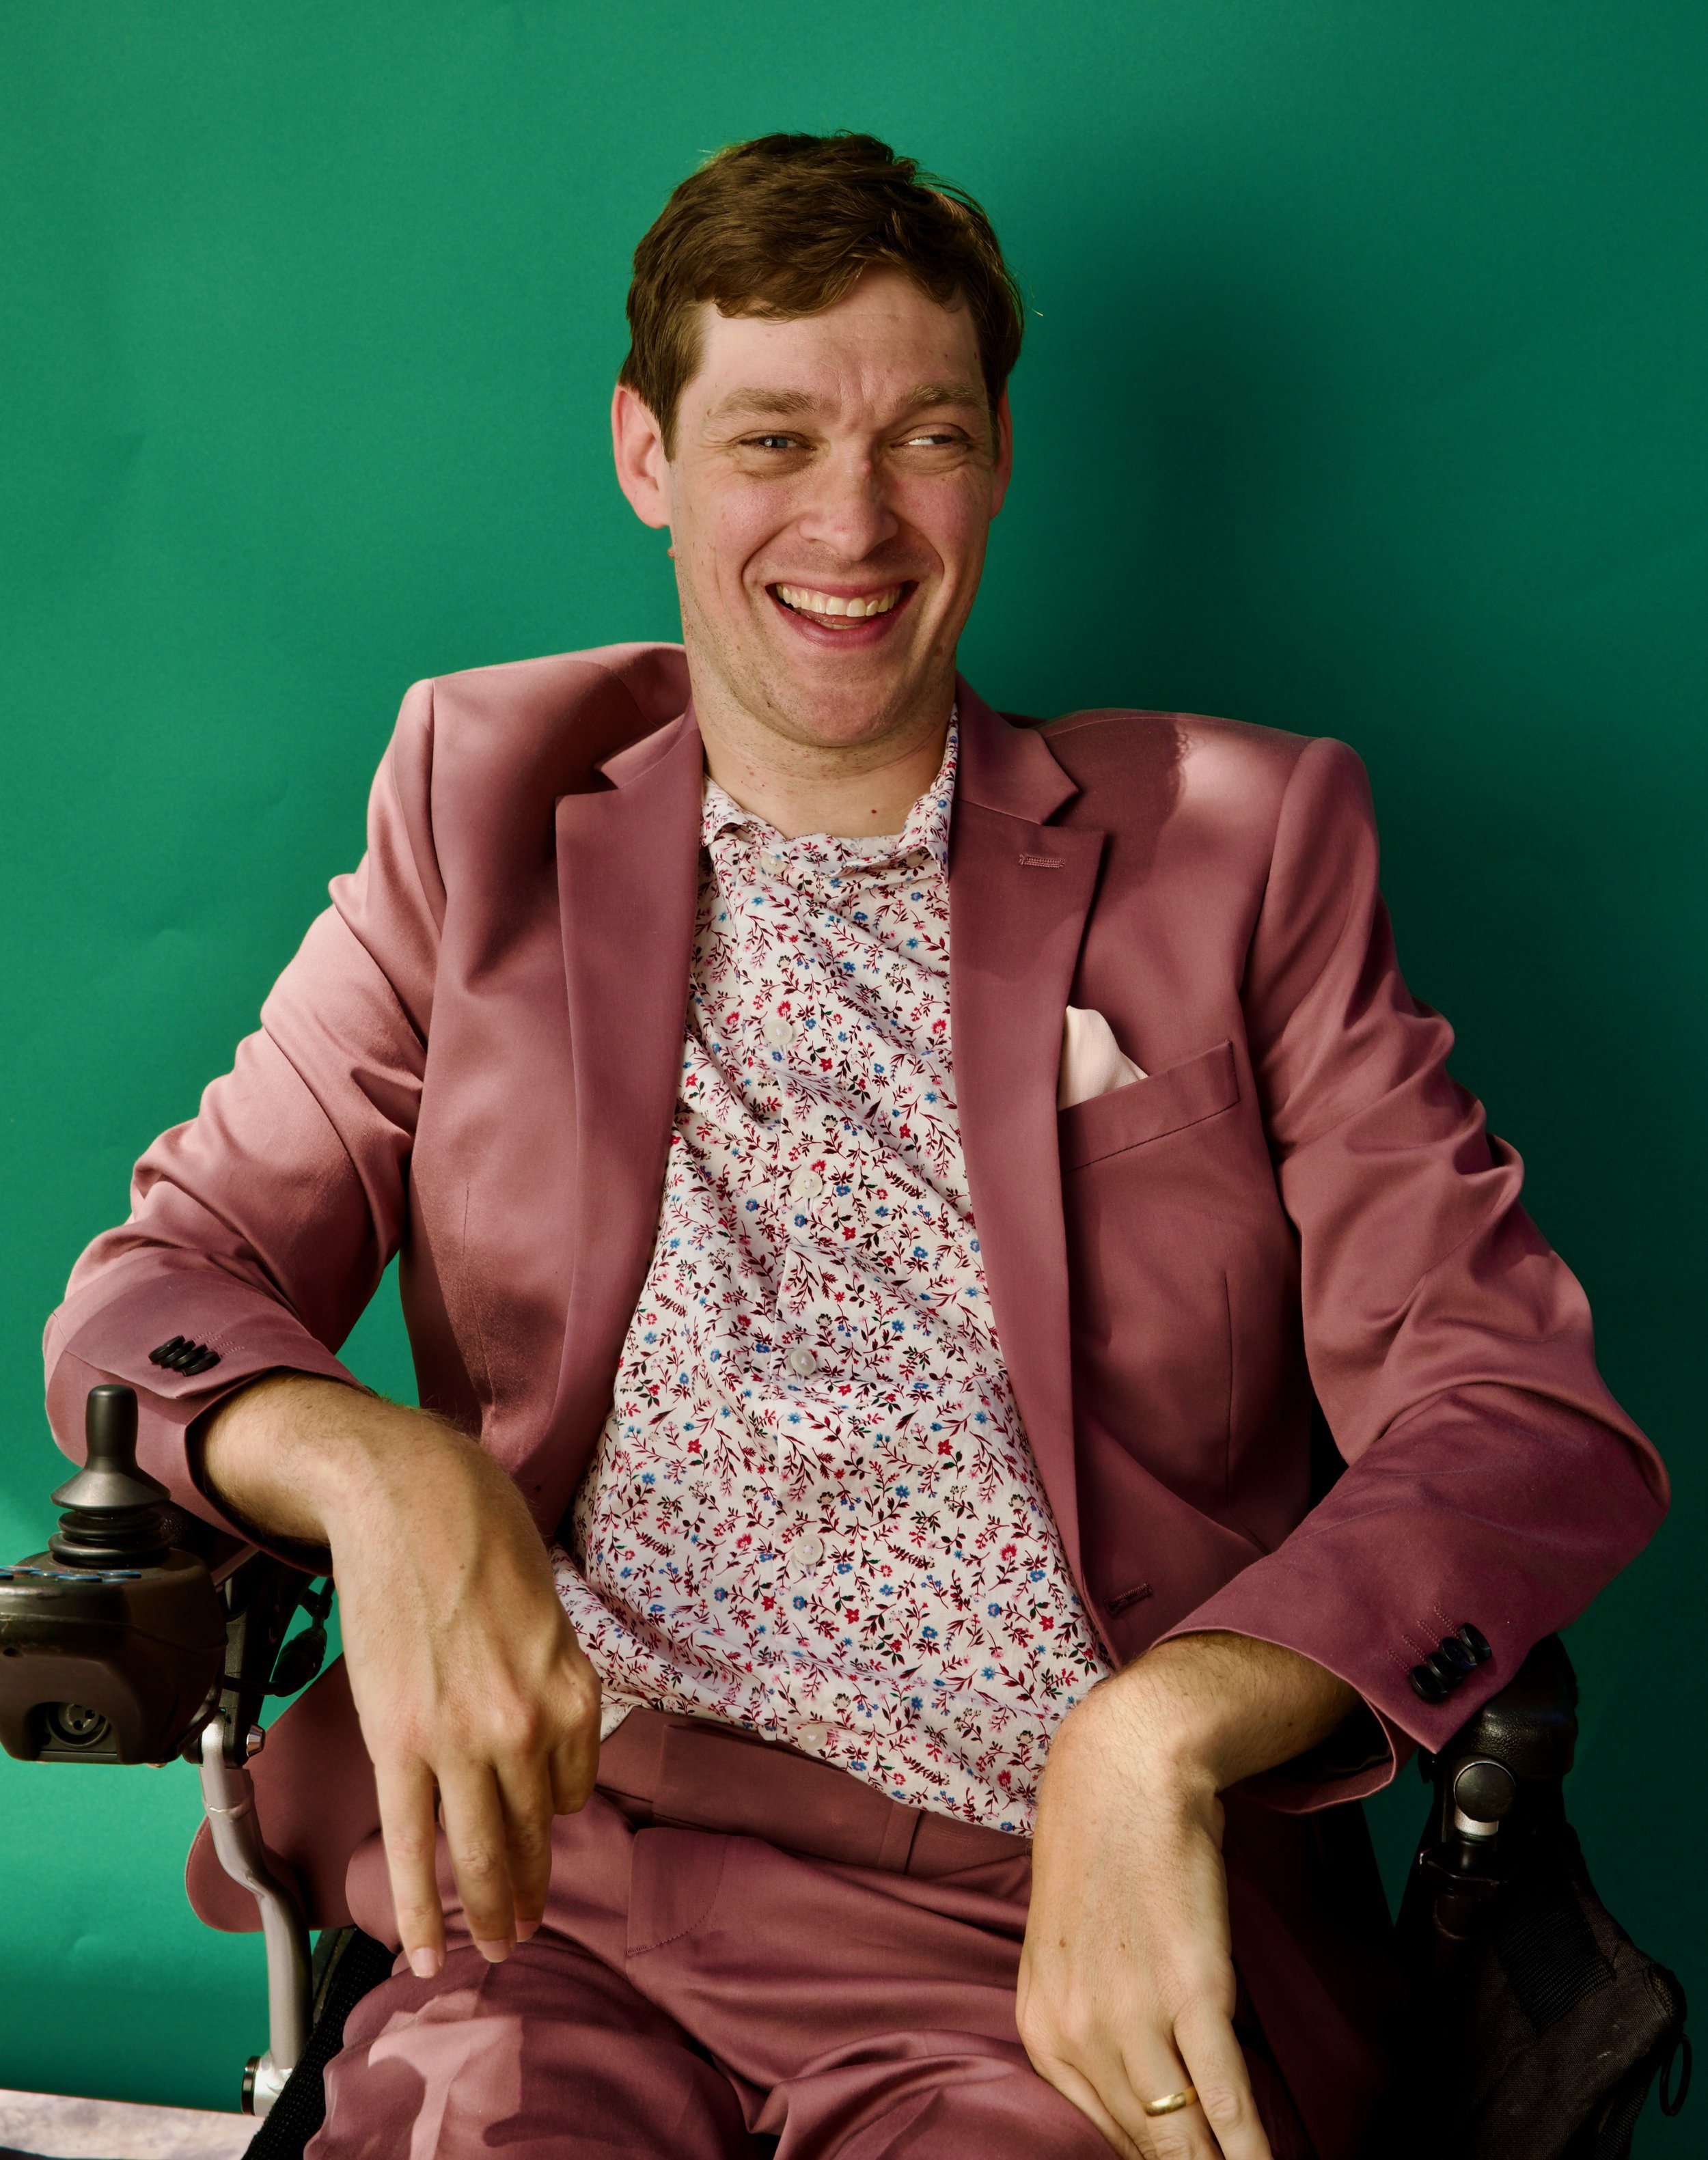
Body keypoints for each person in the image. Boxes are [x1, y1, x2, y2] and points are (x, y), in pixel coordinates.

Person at [44, 133, 1666, 2160]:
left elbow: (1513, 1406)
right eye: (772, 436)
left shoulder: (1241, 854)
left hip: (1032, 1920)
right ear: (644, 451)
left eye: (923, 436)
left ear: (995, 461)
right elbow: (151, 1301)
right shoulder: (476, 806)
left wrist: (1157, 1729)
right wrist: (381, 1475)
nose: (851, 518)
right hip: (557, 1889)